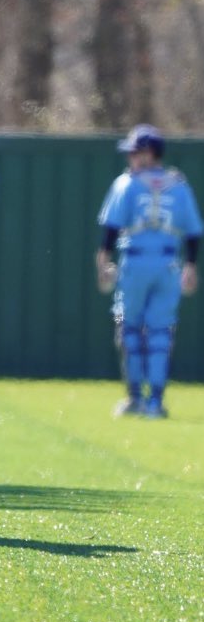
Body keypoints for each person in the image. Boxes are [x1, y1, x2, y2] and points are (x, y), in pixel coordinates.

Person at [96, 124, 202, 419]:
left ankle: (135, 399)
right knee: (160, 334)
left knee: (128, 328)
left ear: (149, 154)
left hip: (134, 263)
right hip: (169, 266)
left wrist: (103, 261)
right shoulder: (179, 185)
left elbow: (111, 228)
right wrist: (191, 266)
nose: (130, 157)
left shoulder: (127, 184)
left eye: (135, 151)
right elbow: (194, 232)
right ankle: (155, 402)